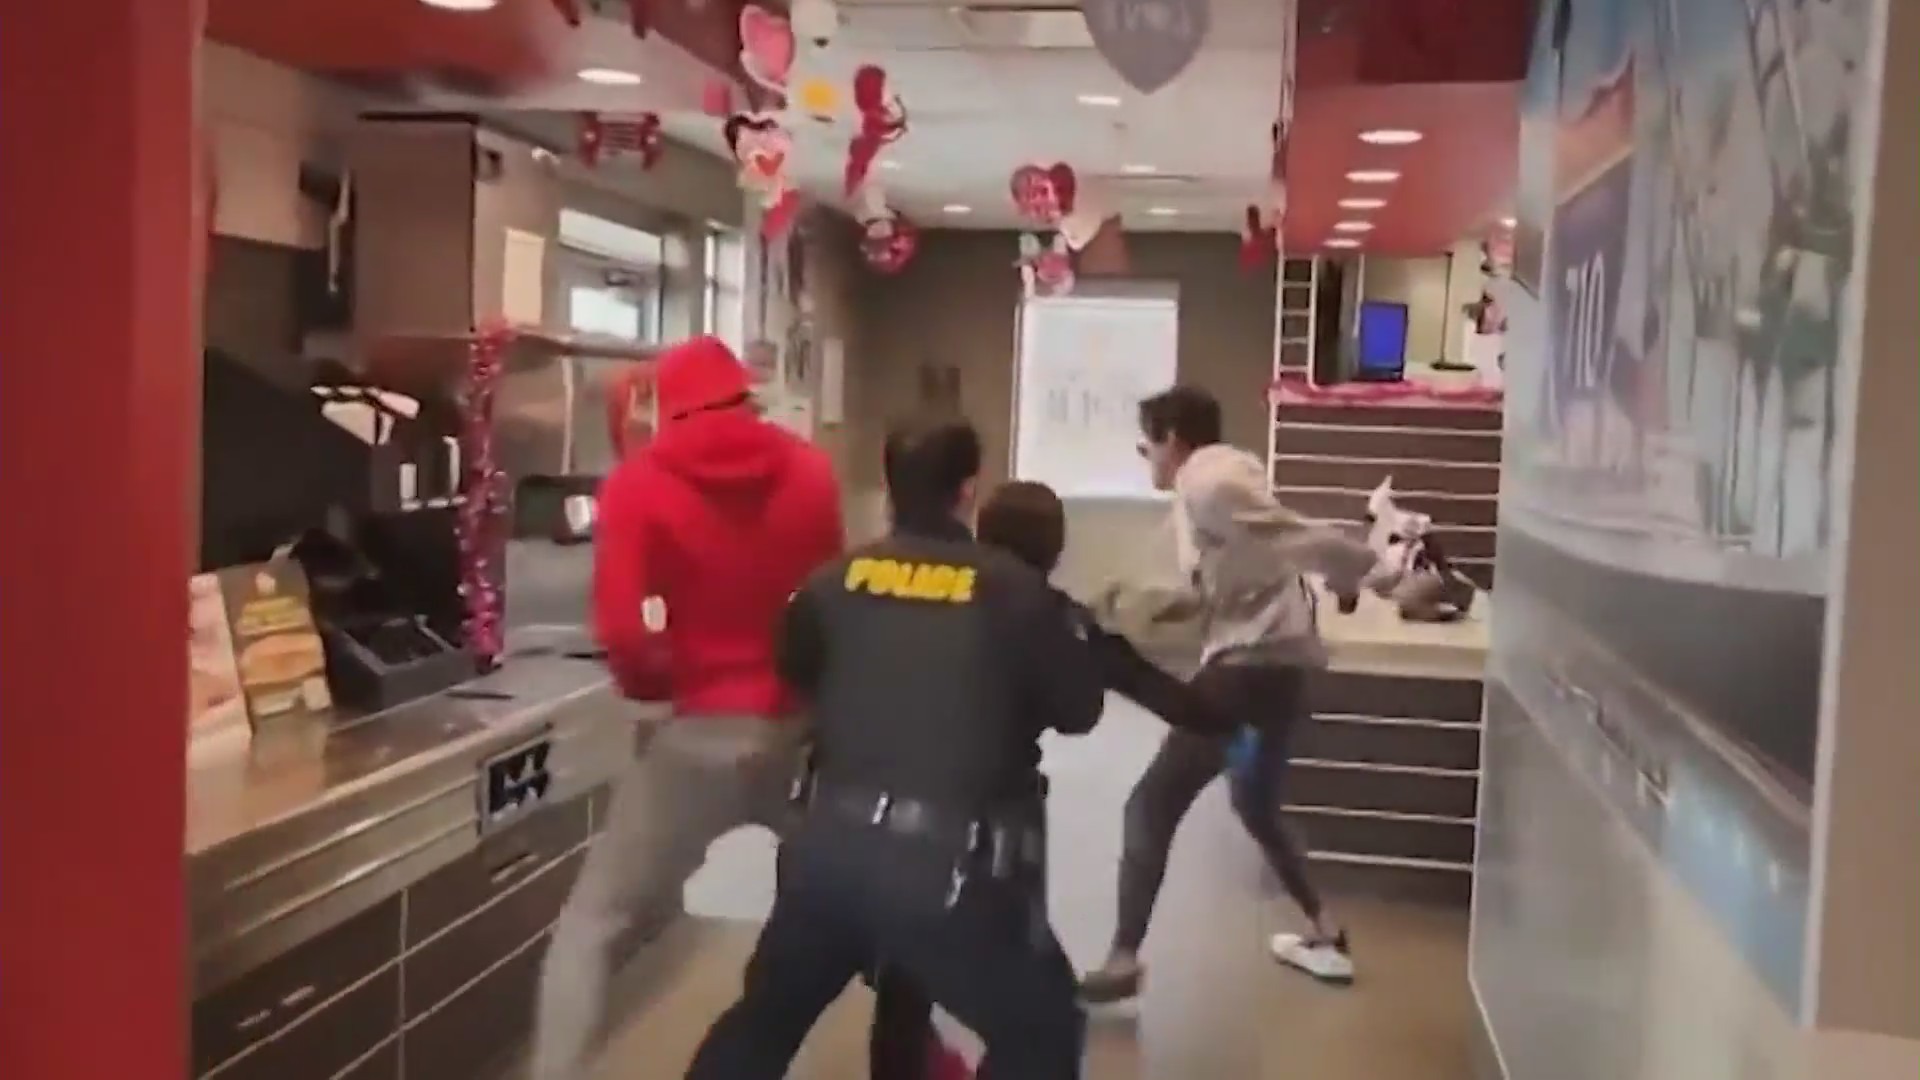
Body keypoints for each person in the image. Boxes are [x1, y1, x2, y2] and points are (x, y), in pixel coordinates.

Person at [683, 419, 1105, 1080]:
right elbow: (1080, 711)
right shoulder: (1014, 591)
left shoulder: (828, 583)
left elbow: (798, 675)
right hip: (946, 874)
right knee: (1044, 1028)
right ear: (968, 491)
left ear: (889, 486)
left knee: (764, 1022)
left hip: (825, 856)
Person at [529, 336, 845, 1080]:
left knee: (593, 923)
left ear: (667, 405)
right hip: (799, 733)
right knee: (830, 914)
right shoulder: (811, 472)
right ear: (744, 391)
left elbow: (621, 632)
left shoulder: (639, 485)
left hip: (695, 734)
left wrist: (658, 684)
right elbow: (832, 607)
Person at [871, 480, 1242, 1080]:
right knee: (1038, 996)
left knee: (905, 980)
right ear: (1055, 549)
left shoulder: (926, 593)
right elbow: (1128, 687)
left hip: (895, 808)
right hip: (996, 820)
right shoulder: (1051, 613)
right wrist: (1232, 714)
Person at [1079, 386, 1382, 1002]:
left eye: (1148, 447)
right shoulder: (1219, 482)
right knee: (1254, 803)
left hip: (1248, 671)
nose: (1149, 462)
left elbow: (1287, 535)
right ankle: (1324, 932)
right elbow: (1245, 572)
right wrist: (1161, 605)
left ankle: (1122, 958)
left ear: (1173, 440)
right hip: (1282, 671)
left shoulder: (1207, 481)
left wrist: (1376, 571)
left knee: (1149, 806)